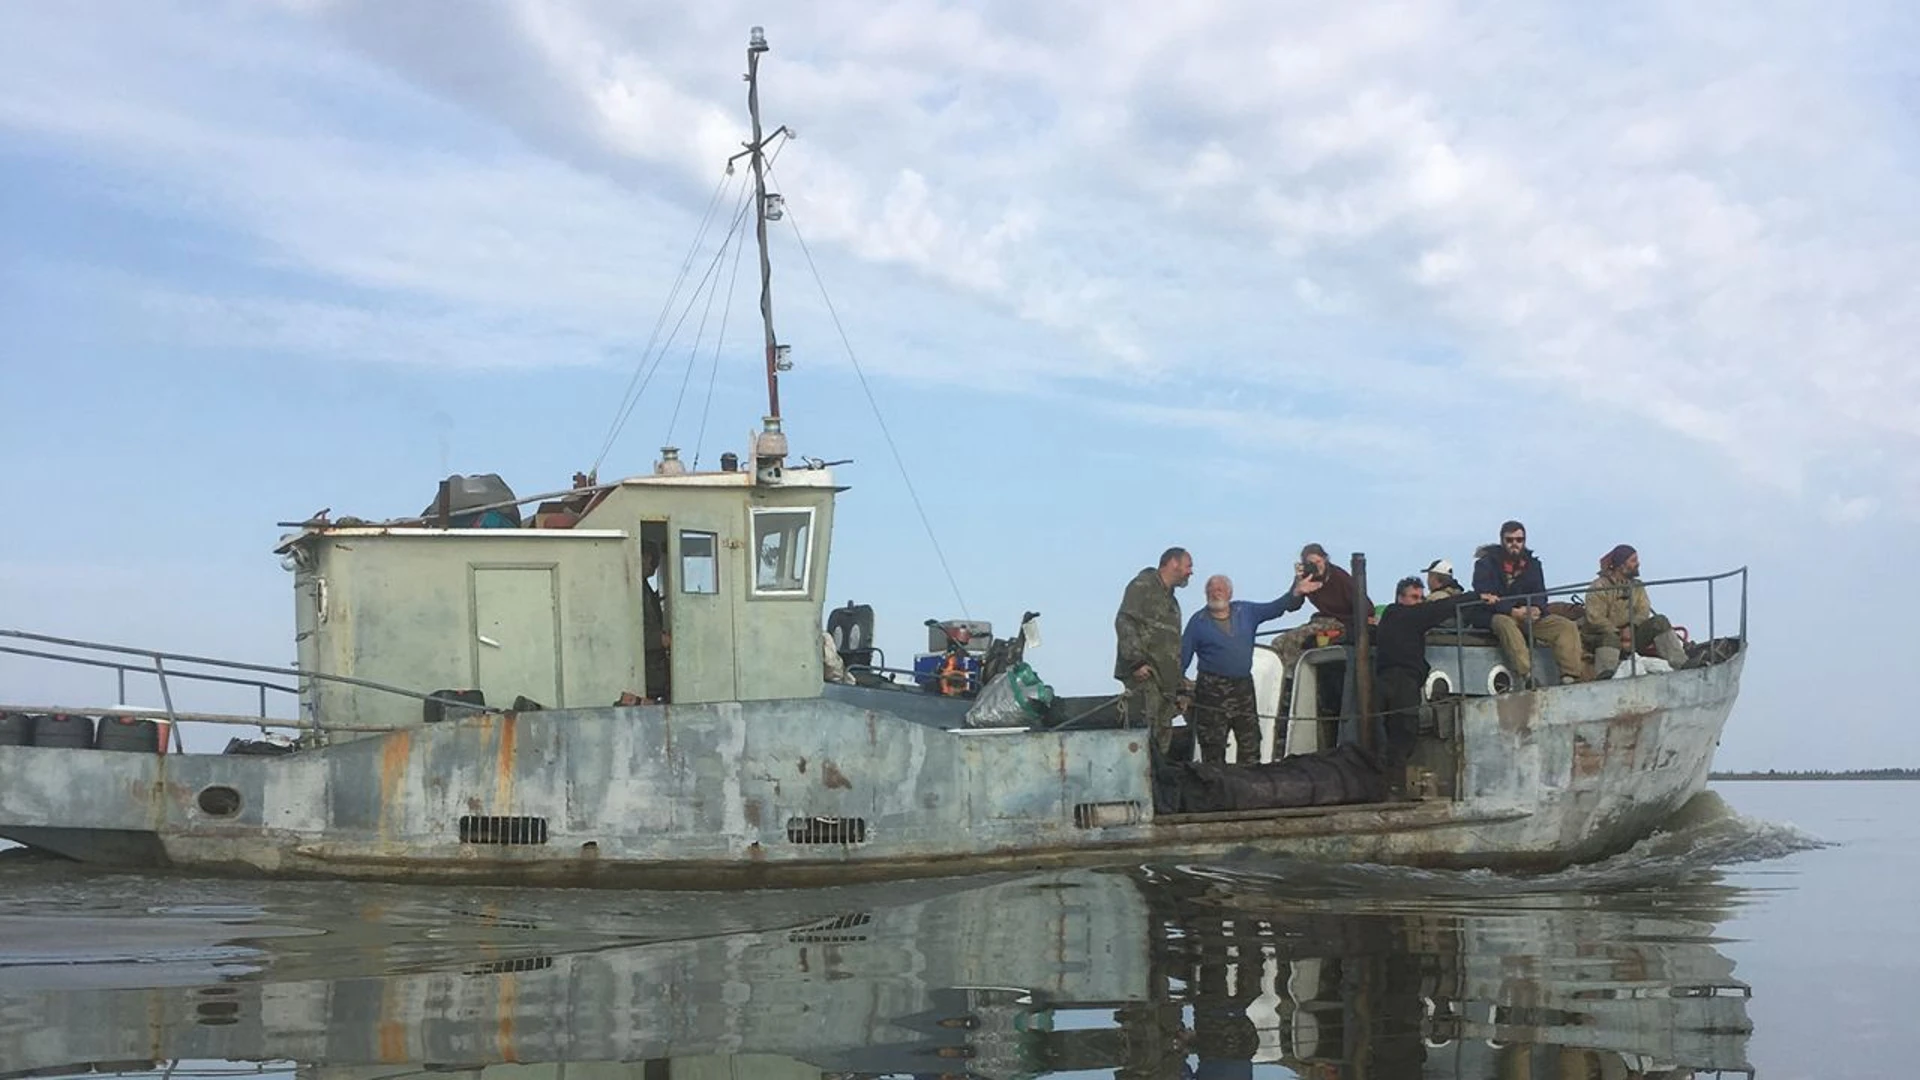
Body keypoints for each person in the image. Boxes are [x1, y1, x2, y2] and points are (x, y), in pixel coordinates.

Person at [1179, 571, 1323, 764]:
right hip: (1211, 692)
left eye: (1220, 589)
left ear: (1230, 593)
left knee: (1251, 744)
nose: (1215, 593)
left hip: (1242, 689)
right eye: (1211, 590)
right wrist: (1179, 690)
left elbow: (1276, 608)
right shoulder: (1198, 622)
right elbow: (1182, 658)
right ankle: (1214, 790)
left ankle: (1249, 789)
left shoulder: (1245, 611)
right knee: (1212, 747)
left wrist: (1295, 591)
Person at [1374, 576, 1493, 769]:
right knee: (1405, 729)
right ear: (1400, 598)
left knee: (1388, 730)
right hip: (1402, 680)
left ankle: (1388, 774)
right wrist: (1475, 596)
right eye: (1414, 597)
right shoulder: (1404, 615)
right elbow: (1438, 608)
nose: (1419, 602)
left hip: (1387, 678)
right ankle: (1395, 777)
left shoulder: (1391, 617)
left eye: (1421, 598)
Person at [1469, 520, 1585, 687]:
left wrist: (1536, 608)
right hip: (1495, 614)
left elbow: (1540, 592)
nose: (1514, 544)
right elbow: (1484, 593)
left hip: (1528, 615)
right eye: (1510, 540)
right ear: (1502, 540)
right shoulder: (1485, 564)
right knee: (1506, 624)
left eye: (1519, 540)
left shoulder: (1533, 565)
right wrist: (1511, 610)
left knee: (1565, 626)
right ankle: (1527, 675)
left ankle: (1570, 677)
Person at [1114, 547, 1193, 755]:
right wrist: (1136, 661)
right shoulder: (1142, 586)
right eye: (1188, 565)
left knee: (1161, 742)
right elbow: (1125, 621)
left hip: (1165, 686)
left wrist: (1179, 688)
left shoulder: (1172, 603)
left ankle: (1157, 783)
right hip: (1145, 679)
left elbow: (1172, 649)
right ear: (1173, 563)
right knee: (1143, 739)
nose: (1191, 572)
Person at [1270, 543, 1375, 681]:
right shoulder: (1308, 578)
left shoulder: (1339, 577)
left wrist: (1362, 620)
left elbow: (1366, 606)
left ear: (1325, 559)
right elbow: (1293, 606)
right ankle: (1285, 680)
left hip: (1341, 622)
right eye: (1310, 563)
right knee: (1278, 643)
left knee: (1296, 639)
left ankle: (1297, 679)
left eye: (1318, 562)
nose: (1316, 566)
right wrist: (1298, 586)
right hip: (1321, 620)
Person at [1583, 544, 1690, 675]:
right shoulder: (1599, 586)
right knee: (1609, 638)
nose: (1638, 564)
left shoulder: (1637, 586)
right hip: (1604, 636)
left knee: (1659, 621)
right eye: (1633, 560)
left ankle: (1683, 664)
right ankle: (1606, 676)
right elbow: (1595, 618)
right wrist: (1618, 632)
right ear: (1621, 565)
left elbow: (1643, 610)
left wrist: (1632, 626)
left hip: (1633, 633)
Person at [641, 542, 671, 701]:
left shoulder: (643, 587)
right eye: (653, 560)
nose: (654, 566)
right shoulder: (634, 588)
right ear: (645, 557)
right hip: (646, 669)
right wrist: (659, 639)